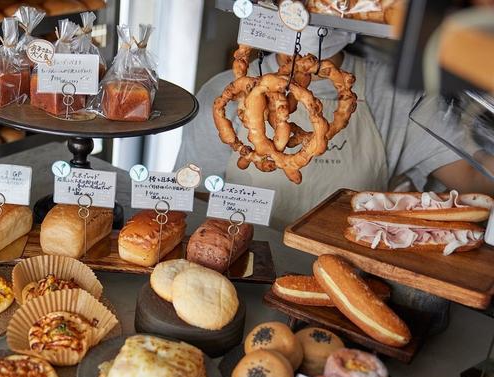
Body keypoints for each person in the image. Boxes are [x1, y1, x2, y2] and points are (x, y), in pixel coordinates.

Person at [176, 27, 494, 230]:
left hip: (353, 276)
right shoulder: (222, 94)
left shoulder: (398, 94)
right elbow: (195, 200)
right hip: (245, 265)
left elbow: (477, 180)